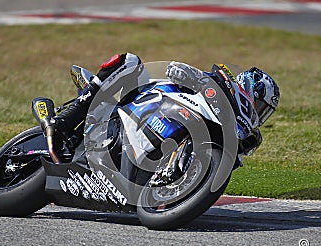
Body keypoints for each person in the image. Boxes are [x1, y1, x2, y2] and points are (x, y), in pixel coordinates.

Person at [51, 52, 280, 168]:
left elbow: (228, 165)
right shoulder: (219, 83)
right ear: (247, 89)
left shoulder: (242, 136)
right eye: (259, 105)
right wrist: (189, 74)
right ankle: (63, 121)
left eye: (264, 111)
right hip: (145, 101)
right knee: (129, 60)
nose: (259, 113)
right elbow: (175, 70)